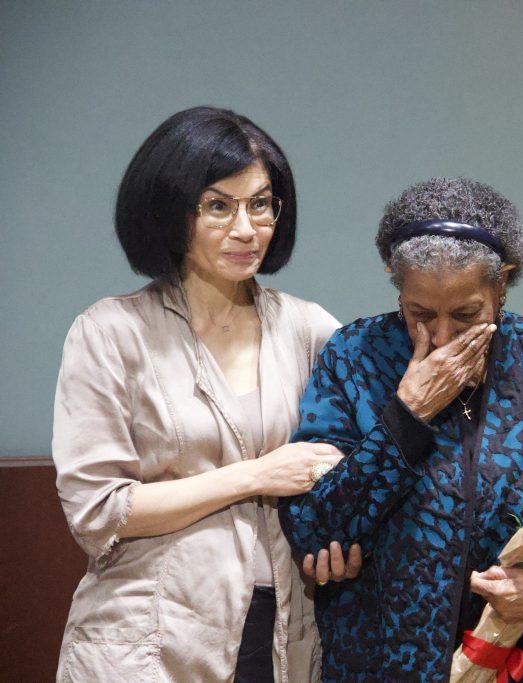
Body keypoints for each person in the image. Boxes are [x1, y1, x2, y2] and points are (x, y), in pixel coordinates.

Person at [279, 177, 523, 681]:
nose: (441, 337)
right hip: (380, 663)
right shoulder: (354, 357)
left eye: (467, 315)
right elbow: (316, 528)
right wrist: (408, 414)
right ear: (395, 284)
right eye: (419, 313)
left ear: (502, 283)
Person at [52, 106, 359, 682]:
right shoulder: (111, 332)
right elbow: (97, 513)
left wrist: (346, 542)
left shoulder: (312, 329)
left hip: (288, 633)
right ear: (171, 212)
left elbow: (348, 466)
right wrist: (255, 475)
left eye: (261, 204)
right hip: (148, 635)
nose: (246, 228)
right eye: (219, 206)